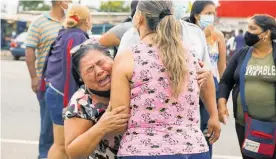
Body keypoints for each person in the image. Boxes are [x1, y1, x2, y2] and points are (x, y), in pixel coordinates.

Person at [110, 1, 221, 159]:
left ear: (139, 18)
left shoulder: (127, 58)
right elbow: (207, 78)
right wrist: (213, 115)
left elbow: (118, 120)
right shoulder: (190, 54)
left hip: (143, 150)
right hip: (193, 148)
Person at [218, 14, 276, 159]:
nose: (248, 32)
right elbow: (226, 80)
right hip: (246, 126)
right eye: (247, 27)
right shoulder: (242, 54)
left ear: (266, 33)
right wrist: (221, 102)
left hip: (273, 125)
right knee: (250, 156)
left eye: (253, 28)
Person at [63, 43, 130, 159]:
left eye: (101, 63)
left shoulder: (133, 81)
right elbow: (73, 153)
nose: (99, 71)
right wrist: (101, 127)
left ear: (113, 59)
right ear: (81, 78)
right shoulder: (80, 102)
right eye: (89, 69)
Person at [44, 4, 92, 159]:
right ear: (87, 20)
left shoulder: (67, 33)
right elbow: (69, 71)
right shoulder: (76, 36)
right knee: (62, 146)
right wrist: (70, 103)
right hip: (63, 94)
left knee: (60, 145)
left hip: (57, 91)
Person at [25, 1, 71, 158]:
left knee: (67, 129)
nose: (71, 2)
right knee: (48, 129)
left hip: (69, 84)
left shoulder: (71, 21)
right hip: (48, 85)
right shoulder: (39, 22)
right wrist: (34, 77)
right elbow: (30, 50)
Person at [187, 1, 227, 157]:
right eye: (208, 13)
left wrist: (222, 97)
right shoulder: (187, 33)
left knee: (208, 127)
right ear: (197, 15)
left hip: (211, 84)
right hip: (189, 83)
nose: (211, 17)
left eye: (213, 13)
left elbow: (222, 68)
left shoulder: (219, 36)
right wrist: (202, 36)